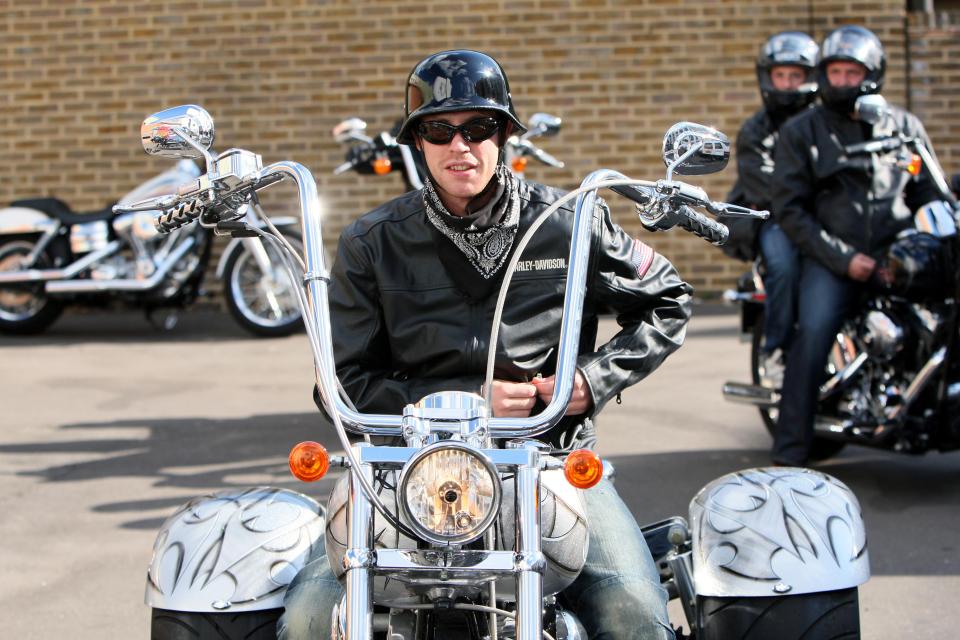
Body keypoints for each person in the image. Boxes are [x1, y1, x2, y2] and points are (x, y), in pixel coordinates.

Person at [278, 49, 691, 639]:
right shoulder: (372, 241)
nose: (459, 146)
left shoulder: (568, 221)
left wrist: (590, 383)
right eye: (439, 130)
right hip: (400, 467)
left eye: (477, 127)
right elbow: (341, 381)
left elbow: (667, 298)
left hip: (547, 459)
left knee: (632, 612)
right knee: (310, 618)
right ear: (417, 142)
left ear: (504, 134)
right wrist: (470, 400)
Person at [771, 25, 942, 466]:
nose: (842, 80)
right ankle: (790, 452)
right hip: (833, 258)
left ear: (873, 74)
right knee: (814, 331)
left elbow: (928, 192)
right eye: (836, 71)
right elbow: (791, 211)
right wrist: (846, 261)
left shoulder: (904, 126)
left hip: (898, 255)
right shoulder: (801, 131)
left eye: (852, 71)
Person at [722, 31, 819, 378]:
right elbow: (767, 190)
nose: (788, 84)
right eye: (782, 75)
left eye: (797, 76)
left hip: (820, 215)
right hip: (773, 217)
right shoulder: (755, 130)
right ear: (768, 76)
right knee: (785, 266)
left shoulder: (825, 123)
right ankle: (776, 350)